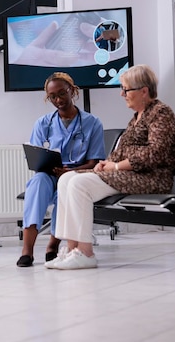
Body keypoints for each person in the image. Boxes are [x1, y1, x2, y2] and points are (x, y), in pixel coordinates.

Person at [46, 64, 175, 270]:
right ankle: (71, 250)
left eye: (126, 89)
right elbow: (122, 152)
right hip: (131, 174)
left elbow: (155, 153)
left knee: (79, 184)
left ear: (143, 91)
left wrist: (115, 166)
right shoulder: (137, 118)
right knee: (66, 179)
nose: (122, 94)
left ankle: (85, 253)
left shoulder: (161, 113)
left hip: (151, 177)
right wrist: (106, 164)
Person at [17, 72, 105, 267]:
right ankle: (27, 251)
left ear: (73, 91)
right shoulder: (43, 123)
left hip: (76, 175)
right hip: (48, 175)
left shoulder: (92, 123)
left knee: (67, 187)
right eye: (52, 97)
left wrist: (70, 172)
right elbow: (35, 154)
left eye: (62, 94)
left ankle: (52, 246)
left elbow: (94, 162)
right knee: (37, 182)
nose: (58, 100)